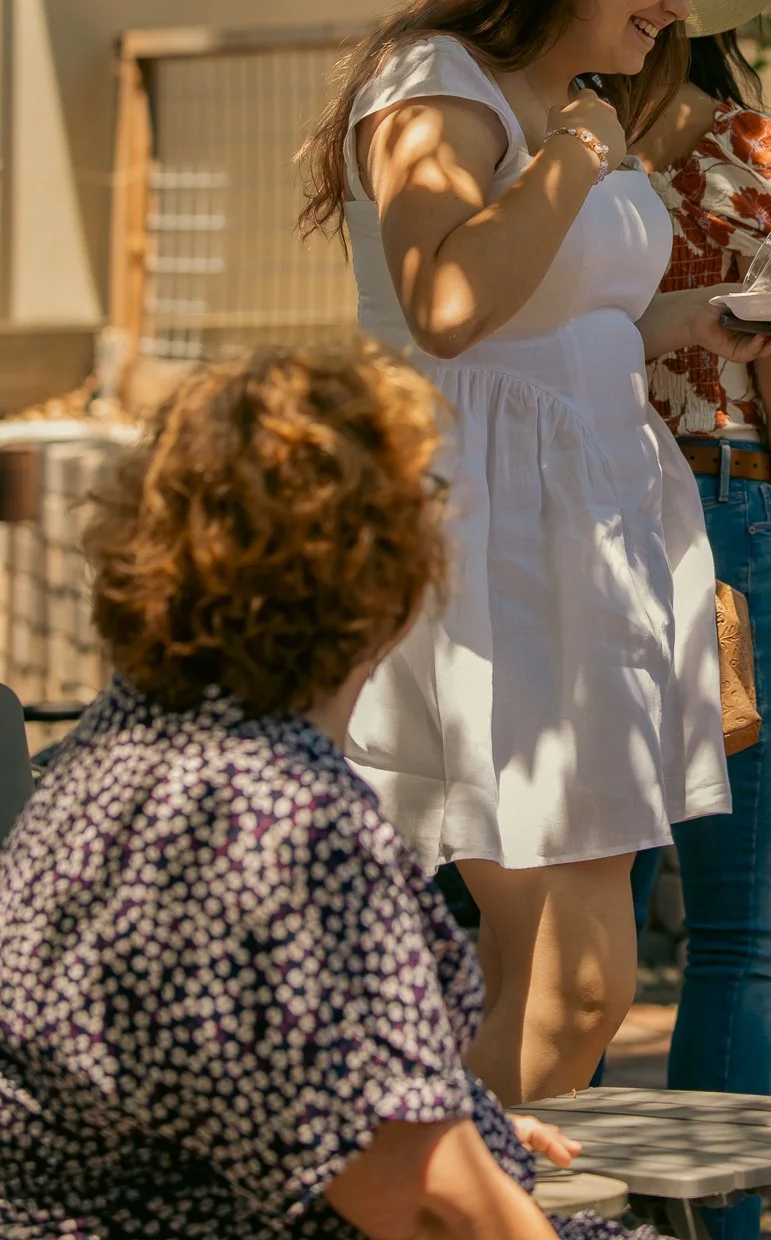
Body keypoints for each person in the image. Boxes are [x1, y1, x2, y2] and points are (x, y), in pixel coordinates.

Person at [298, 0, 771, 1105]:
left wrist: (705, 321)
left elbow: (567, 319)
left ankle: (444, 1190)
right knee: (567, 984)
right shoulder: (437, 79)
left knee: (588, 991)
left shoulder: (573, 107)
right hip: (487, 537)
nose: (684, 3)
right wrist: (581, 152)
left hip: (597, 525)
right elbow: (447, 301)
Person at [0, 345, 649, 1240]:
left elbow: (256, 1079)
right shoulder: (283, 820)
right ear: (382, 567)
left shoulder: (116, 753)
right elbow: (426, 1203)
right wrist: (449, 1158)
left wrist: (461, 1125)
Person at [628, 0, 771, 1240]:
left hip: (579, 506)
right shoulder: (743, 148)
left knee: (578, 901)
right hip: (717, 499)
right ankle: (715, 1231)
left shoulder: (551, 137)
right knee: (737, 934)